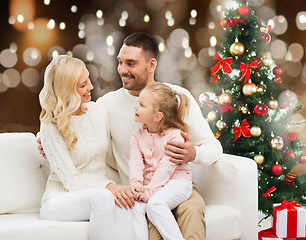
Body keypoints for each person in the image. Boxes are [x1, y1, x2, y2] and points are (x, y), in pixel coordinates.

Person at [38, 32, 223, 239]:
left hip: (176, 185)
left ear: (151, 65)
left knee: (191, 212)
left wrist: (193, 153)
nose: (123, 70)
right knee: (152, 225)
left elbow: (214, 148)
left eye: (131, 63)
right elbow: (74, 122)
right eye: (120, 62)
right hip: (138, 193)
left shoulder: (176, 97)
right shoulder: (106, 105)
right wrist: (43, 139)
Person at [37, 55, 133, 240]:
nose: (90, 87)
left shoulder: (97, 111)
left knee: (130, 204)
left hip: (97, 193)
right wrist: (109, 186)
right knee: (104, 199)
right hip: (60, 199)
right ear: (66, 90)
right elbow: (71, 180)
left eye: (88, 80)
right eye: (83, 85)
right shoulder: (51, 124)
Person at [129, 82, 193, 240]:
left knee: (155, 205)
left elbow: (166, 167)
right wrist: (136, 185)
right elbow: (135, 163)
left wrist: (150, 191)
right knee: (135, 206)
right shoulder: (136, 136)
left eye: (142, 105)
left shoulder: (175, 135)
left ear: (157, 116)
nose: (136, 107)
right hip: (154, 186)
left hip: (178, 183)